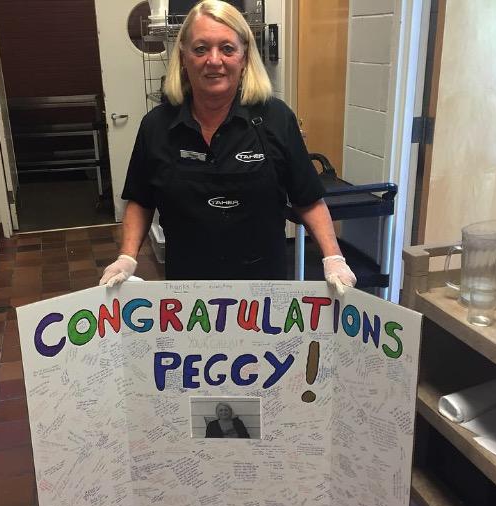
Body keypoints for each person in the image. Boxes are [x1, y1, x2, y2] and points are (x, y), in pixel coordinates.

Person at [100, 0, 356, 292]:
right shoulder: (156, 126)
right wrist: (127, 257)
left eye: (227, 48)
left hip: (263, 290)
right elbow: (141, 200)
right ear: (183, 56)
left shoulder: (276, 118)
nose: (214, 60)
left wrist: (333, 256)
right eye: (200, 48)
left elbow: (308, 198)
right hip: (187, 291)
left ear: (244, 57)